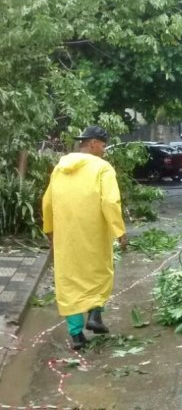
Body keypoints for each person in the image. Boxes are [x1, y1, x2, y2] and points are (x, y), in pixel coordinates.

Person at [42, 126, 127, 350]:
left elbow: (47, 202)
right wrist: (119, 231)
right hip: (94, 234)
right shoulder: (102, 168)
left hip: (66, 238)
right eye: (103, 145)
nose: (105, 150)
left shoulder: (59, 168)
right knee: (99, 273)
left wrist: (49, 230)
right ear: (93, 143)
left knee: (68, 282)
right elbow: (110, 202)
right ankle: (95, 315)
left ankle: (77, 336)